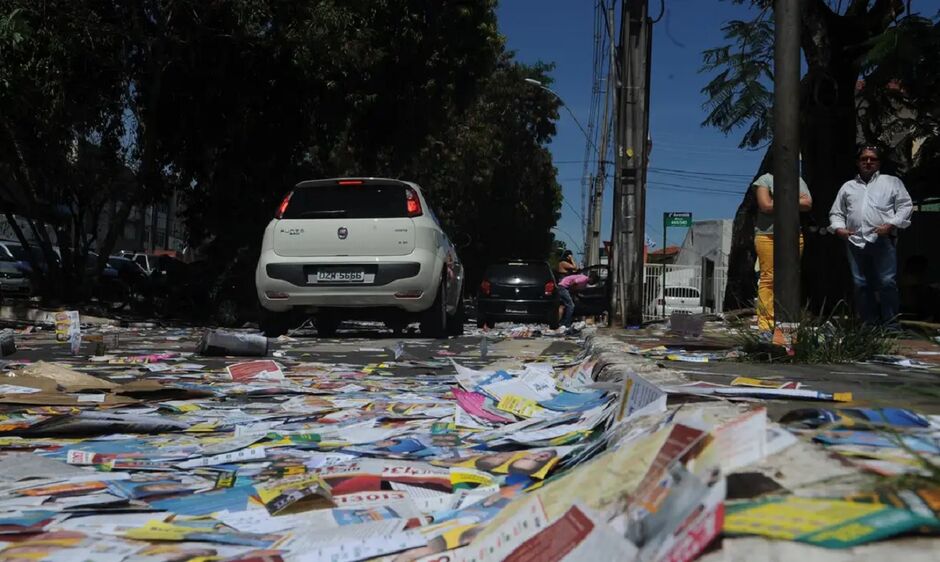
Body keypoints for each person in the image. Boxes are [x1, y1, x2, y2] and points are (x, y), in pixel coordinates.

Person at [829, 145, 913, 328]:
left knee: (887, 282)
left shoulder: (891, 182)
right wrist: (839, 228)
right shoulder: (848, 187)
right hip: (855, 241)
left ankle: (891, 325)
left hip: (882, 239)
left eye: (872, 159)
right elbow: (836, 213)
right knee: (861, 283)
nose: (868, 162)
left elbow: (906, 206)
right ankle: (869, 324)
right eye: (864, 159)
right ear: (857, 163)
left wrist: (891, 224)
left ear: (879, 163)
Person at [752, 171, 812, 336]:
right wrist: (793, 199)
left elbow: (807, 203)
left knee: (790, 278)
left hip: (792, 234)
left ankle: (788, 322)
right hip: (767, 235)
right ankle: (766, 324)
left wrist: (777, 201)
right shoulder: (765, 179)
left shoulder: (797, 179)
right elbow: (765, 205)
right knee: (769, 278)